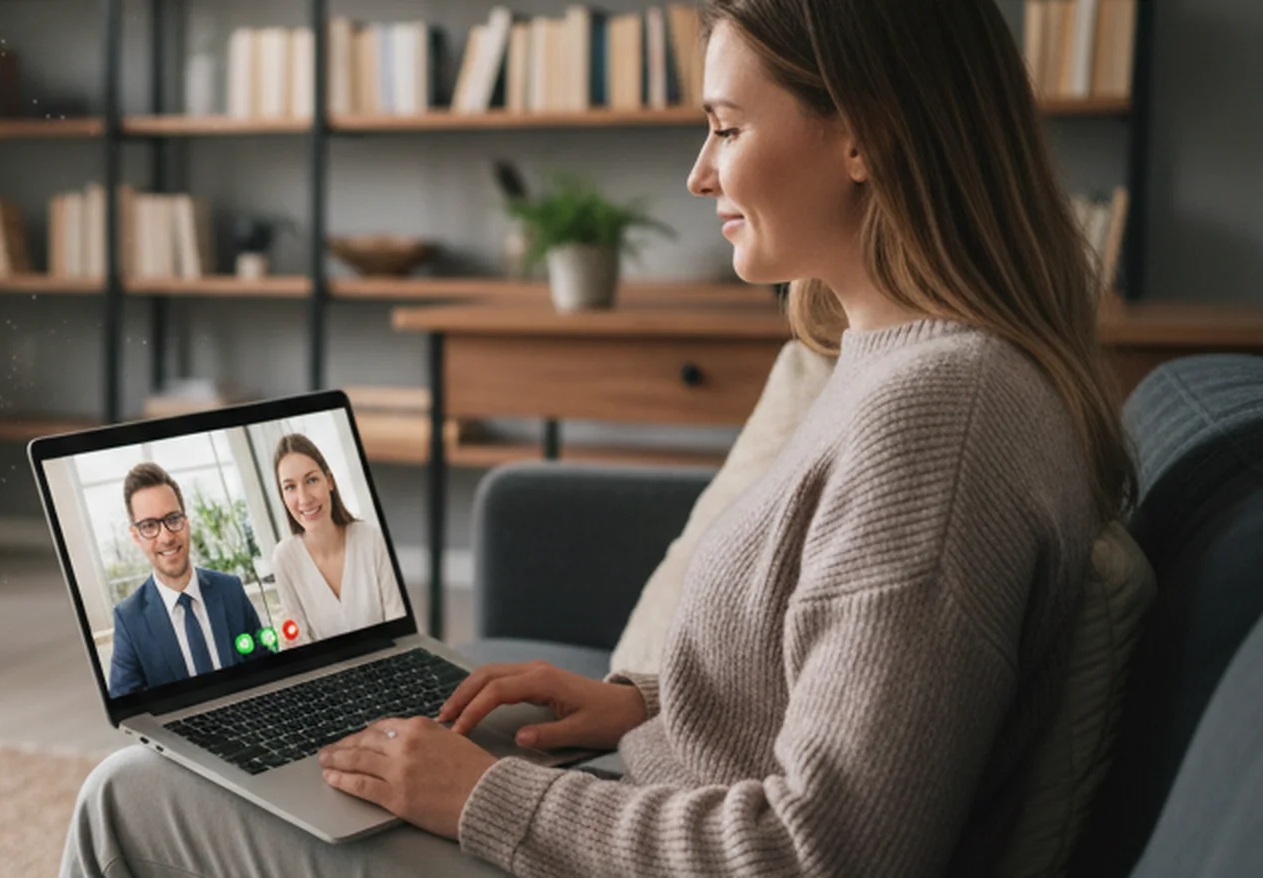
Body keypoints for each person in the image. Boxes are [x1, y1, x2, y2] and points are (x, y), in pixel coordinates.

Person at [64, 0, 1135, 874]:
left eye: (725, 125)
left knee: (130, 795)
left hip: (628, 841)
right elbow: (833, 689)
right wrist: (644, 702)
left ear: (864, 131)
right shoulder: (899, 365)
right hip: (635, 796)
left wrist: (484, 793)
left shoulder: (935, 418)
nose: (697, 173)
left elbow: (825, 849)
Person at [104, 463, 271, 699]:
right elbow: (128, 711)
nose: (166, 536)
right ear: (136, 536)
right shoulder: (129, 619)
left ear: (186, 521)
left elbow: (267, 670)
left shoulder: (230, 590)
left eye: (172, 519)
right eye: (149, 526)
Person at [267, 433, 405, 645]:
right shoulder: (285, 558)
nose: (304, 498)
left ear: (329, 481)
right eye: (290, 487)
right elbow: (300, 644)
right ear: (283, 497)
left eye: (311, 480)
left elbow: (399, 627)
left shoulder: (370, 539)